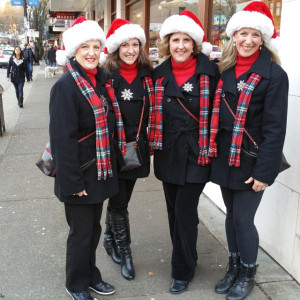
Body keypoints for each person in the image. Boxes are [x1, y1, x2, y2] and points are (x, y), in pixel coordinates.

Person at [208, 2, 288, 300]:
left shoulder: (274, 75)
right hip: (226, 156)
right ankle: (233, 266)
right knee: (231, 217)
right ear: (233, 36)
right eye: (243, 33)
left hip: (253, 160)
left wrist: (265, 172)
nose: (248, 40)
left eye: (255, 34)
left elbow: (274, 128)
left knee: (243, 219)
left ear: (263, 39)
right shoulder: (224, 70)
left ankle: (248, 272)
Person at [50, 17, 127, 300]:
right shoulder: (66, 86)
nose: (92, 52)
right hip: (79, 175)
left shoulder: (98, 82)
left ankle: (91, 275)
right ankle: (76, 283)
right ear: (73, 50)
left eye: (96, 46)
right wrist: (72, 182)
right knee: (81, 234)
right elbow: (62, 140)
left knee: (93, 230)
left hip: (99, 172)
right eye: (86, 47)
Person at [148, 10, 220, 294]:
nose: (180, 45)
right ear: (168, 43)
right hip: (168, 152)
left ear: (194, 44)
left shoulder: (211, 72)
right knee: (174, 213)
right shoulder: (158, 75)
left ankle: (182, 271)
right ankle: (188, 256)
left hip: (196, 151)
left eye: (186, 40)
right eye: (175, 39)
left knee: (185, 212)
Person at [101, 18, 153, 280]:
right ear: (115, 49)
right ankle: (125, 249)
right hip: (110, 149)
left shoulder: (148, 76)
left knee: (121, 199)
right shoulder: (105, 76)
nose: (131, 50)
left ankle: (109, 238)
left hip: (136, 149)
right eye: (125, 45)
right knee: (119, 202)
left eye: (135, 44)